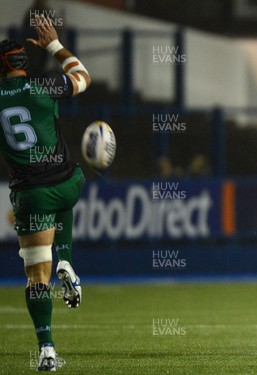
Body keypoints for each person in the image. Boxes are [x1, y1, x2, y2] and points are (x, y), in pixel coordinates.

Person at [0, 14, 91, 371]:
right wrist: (53, 44)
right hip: (68, 184)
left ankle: (47, 349)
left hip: (32, 195)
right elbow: (83, 76)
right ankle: (66, 260)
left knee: (37, 278)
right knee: (65, 193)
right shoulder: (44, 86)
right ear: (26, 62)